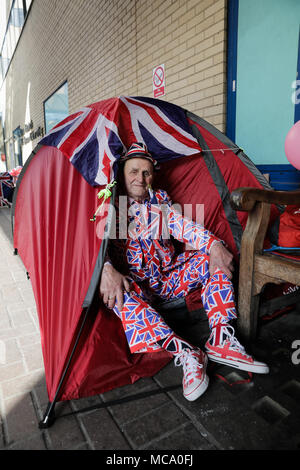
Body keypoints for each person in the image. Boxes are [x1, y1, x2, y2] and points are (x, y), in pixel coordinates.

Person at [99, 142, 269, 402]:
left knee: (212, 258)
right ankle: (188, 353)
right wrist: (106, 268)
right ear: (122, 173)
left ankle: (221, 337)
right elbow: (93, 245)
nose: (140, 179)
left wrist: (213, 245)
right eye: (134, 171)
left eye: (146, 173)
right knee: (119, 295)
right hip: (137, 286)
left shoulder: (161, 202)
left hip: (169, 279)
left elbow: (184, 227)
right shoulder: (110, 206)